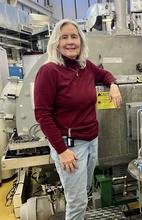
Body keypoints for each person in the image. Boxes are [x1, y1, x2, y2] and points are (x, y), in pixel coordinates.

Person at [34, 19, 122, 220]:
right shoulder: (49, 71)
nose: (70, 42)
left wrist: (113, 85)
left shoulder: (85, 67)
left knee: (85, 192)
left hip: (91, 142)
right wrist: (62, 151)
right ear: (56, 42)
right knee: (77, 203)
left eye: (74, 36)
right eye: (64, 37)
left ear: (81, 41)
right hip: (70, 147)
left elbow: (105, 74)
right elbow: (42, 115)